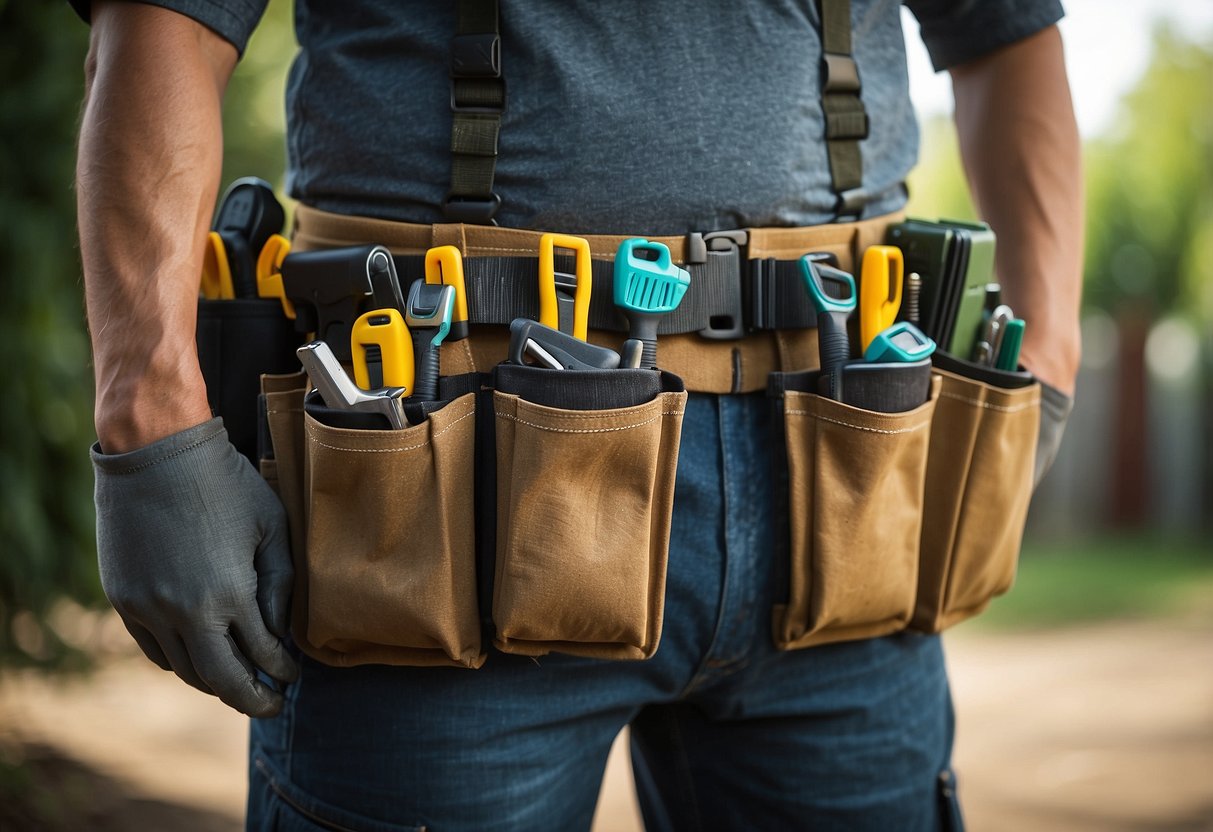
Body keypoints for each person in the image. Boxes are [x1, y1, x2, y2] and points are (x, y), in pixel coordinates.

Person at [73, 0, 1082, 829]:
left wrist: (1043, 358)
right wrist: (149, 411)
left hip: (845, 489)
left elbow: (1005, 33)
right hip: (444, 502)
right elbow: (165, 22)